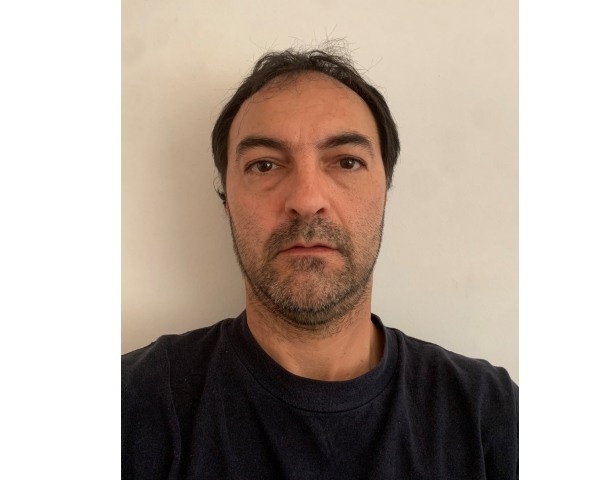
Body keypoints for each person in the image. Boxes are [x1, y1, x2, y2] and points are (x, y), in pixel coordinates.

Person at [122, 45, 518, 479]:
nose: (307, 200)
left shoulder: (490, 414)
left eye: (347, 162)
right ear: (226, 201)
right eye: (264, 165)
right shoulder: (132, 406)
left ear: (385, 192)